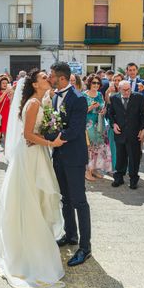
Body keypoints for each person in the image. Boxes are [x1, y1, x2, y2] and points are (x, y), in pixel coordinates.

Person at [0, 69, 67, 288]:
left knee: (36, 197)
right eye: (44, 78)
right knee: (31, 197)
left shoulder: (40, 100)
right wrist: (51, 143)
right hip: (31, 155)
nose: (48, 79)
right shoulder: (33, 103)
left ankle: (36, 240)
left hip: (36, 152)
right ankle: (30, 248)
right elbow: (27, 135)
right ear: (34, 84)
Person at [49, 61, 92, 267]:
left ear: (62, 78)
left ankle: (85, 247)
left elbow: (75, 129)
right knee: (65, 199)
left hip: (74, 157)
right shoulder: (55, 97)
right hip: (59, 156)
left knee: (79, 201)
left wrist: (54, 138)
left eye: (52, 76)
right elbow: (53, 122)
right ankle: (71, 235)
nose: (50, 78)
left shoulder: (79, 99)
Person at [107, 80, 144, 189]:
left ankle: (133, 179)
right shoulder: (114, 98)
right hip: (120, 133)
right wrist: (113, 124)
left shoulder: (138, 97)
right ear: (119, 89)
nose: (126, 92)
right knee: (120, 157)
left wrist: (142, 129)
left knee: (134, 158)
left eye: (128, 89)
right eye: (124, 90)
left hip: (134, 133)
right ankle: (119, 178)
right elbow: (110, 114)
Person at [84, 74, 112, 181]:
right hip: (89, 125)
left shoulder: (100, 95)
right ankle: (87, 171)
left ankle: (95, 169)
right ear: (89, 83)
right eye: (93, 83)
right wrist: (91, 107)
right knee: (90, 148)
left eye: (98, 83)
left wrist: (103, 111)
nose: (96, 85)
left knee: (100, 147)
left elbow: (103, 107)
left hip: (99, 124)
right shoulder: (84, 95)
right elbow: (81, 111)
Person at [105, 72, 124, 173]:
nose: (117, 82)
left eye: (118, 80)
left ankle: (122, 166)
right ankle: (113, 167)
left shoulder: (126, 90)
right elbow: (108, 103)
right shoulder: (110, 91)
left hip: (123, 121)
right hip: (112, 120)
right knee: (112, 144)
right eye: (115, 80)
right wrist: (108, 91)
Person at [0, 74, 13, 162]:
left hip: (7, 116)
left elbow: (12, 104)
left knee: (7, 136)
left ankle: (7, 153)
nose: (4, 84)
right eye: (3, 83)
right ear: (0, 84)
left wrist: (10, 95)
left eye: (6, 83)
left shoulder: (10, 93)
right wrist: (5, 92)